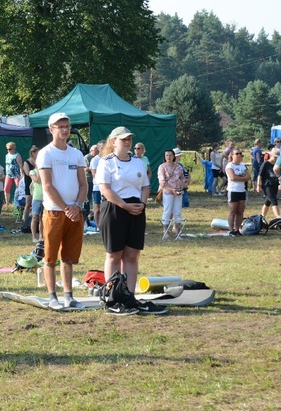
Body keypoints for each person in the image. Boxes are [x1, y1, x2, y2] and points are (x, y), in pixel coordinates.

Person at [97, 126, 164, 315]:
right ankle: (112, 297)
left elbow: (144, 186)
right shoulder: (106, 162)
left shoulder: (137, 162)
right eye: (123, 139)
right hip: (114, 209)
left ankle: (129, 296)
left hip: (136, 210)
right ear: (113, 142)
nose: (127, 142)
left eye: (129, 139)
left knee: (132, 255)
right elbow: (106, 190)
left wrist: (142, 204)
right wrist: (125, 206)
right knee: (114, 254)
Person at [36, 112, 87, 310]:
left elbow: (83, 184)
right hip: (54, 212)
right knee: (50, 257)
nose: (65, 130)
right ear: (51, 130)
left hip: (75, 212)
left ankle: (69, 295)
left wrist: (77, 206)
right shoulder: (46, 153)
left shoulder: (77, 154)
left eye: (67, 126)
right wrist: (67, 208)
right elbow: (47, 185)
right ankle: (52, 296)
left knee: (69, 257)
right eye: (60, 126)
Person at [157, 149, 186, 239]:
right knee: (167, 210)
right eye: (167, 155)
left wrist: (183, 186)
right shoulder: (162, 167)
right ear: (164, 157)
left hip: (178, 192)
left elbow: (182, 178)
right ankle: (166, 231)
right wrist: (172, 190)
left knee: (177, 211)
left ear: (174, 156)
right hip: (167, 191)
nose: (168, 157)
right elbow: (162, 182)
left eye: (170, 155)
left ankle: (178, 231)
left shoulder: (178, 167)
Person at [225, 148, 249, 235]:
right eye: (237, 154)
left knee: (240, 211)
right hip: (233, 190)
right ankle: (231, 230)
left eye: (240, 154)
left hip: (242, 190)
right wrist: (242, 177)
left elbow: (248, 177)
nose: (239, 155)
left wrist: (240, 177)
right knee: (233, 211)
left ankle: (237, 229)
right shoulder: (229, 166)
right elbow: (232, 178)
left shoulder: (243, 166)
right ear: (232, 155)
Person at [256, 148, 281, 219]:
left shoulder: (278, 165)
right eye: (275, 157)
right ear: (271, 155)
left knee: (268, 201)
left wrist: (280, 183)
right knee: (274, 200)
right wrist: (258, 185)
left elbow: (279, 175)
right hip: (267, 185)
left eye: (277, 157)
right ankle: (278, 216)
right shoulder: (265, 164)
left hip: (275, 185)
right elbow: (260, 175)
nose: (276, 159)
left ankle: (262, 217)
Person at [22, 145, 39, 224]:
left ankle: (35, 221)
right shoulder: (27, 162)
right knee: (28, 203)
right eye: (35, 152)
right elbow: (27, 173)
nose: (37, 154)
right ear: (32, 153)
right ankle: (25, 220)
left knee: (36, 203)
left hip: (37, 185)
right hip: (29, 183)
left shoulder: (39, 161)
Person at [29, 169, 43, 242]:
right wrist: (38, 170)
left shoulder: (46, 170)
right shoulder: (32, 172)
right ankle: (34, 237)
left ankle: (41, 236)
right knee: (35, 217)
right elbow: (37, 180)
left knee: (42, 218)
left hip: (45, 198)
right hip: (36, 198)